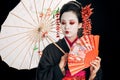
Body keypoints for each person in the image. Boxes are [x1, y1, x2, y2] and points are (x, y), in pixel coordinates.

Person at [36, 1, 102, 80]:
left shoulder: (89, 47)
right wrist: (59, 67)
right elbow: (40, 77)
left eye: (71, 23)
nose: (66, 27)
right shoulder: (50, 50)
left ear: (80, 24)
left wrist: (93, 74)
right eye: (63, 23)